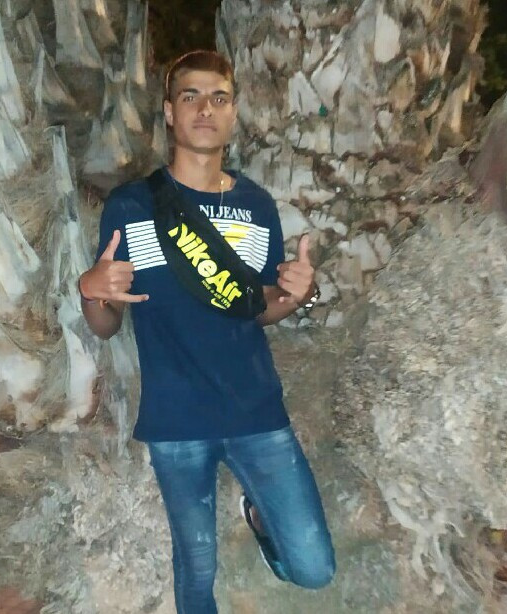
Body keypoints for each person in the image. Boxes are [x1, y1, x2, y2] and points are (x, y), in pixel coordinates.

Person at [79, 50, 335, 613]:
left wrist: (298, 294)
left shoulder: (255, 204)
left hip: (257, 410)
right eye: (190, 96)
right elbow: (106, 325)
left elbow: (259, 308)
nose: (204, 109)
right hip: (176, 420)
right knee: (197, 571)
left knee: (314, 569)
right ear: (170, 112)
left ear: (233, 112)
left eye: (218, 98)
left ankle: (260, 517)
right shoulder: (132, 205)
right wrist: (92, 291)